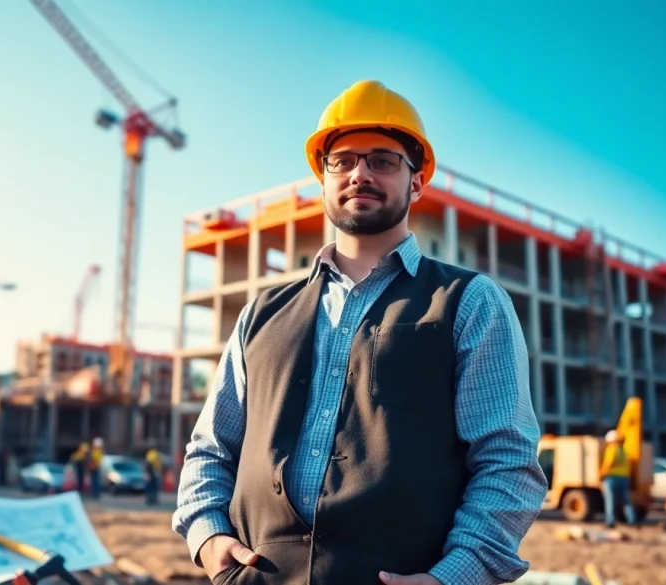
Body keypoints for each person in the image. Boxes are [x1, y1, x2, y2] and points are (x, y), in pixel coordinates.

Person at [171, 80, 549, 585]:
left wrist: (454, 576)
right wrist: (209, 537)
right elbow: (211, 448)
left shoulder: (470, 302)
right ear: (322, 179)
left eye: (383, 161)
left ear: (416, 182)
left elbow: (507, 461)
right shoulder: (261, 313)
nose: (359, 174)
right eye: (343, 161)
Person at [600, 429, 636, 528]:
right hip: (624, 478)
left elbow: (609, 463)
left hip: (612, 478)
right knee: (626, 501)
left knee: (610, 500)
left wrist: (602, 473)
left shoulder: (612, 449)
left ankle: (610, 521)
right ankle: (632, 520)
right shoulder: (624, 451)